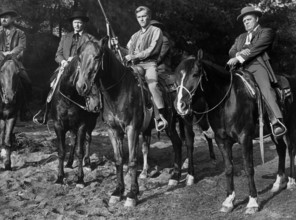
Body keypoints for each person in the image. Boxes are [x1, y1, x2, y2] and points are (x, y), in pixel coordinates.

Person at [227, 6, 286, 137]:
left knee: (265, 87)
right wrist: (238, 53)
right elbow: (231, 51)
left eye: (249, 19)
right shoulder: (240, 37)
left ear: (257, 19)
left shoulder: (266, 32)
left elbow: (257, 47)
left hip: (257, 65)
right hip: (240, 68)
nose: (246, 22)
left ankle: (276, 121)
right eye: (244, 21)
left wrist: (240, 57)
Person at [33, 10, 96, 125]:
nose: (77, 25)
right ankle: (45, 111)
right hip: (65, 67)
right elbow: (58, 54)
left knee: (91, 86)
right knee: (51, 84)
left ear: (84, 24)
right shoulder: (66, 37)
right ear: (72, 23)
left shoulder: (90, 38)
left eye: (79, 23)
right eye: (75, 22)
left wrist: (77, 60)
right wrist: (62, 62)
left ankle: (93, 112)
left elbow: (92, 55)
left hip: (82, 68)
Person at [125, 6, 167, 131]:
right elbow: (128, 50)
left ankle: (160, 117)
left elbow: (151, 50)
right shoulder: (134, 36)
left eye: (144, 16)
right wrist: (116, 46)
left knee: (152, 85)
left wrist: (134, 55)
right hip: (135, 65)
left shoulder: (156, 31)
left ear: (149, 16)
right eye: (139, 17)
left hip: (149, 64)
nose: (141, 19)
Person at [0, 8, 32, 121]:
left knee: (27, 82)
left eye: (6, 17)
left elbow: (22, 46)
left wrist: (11, 53)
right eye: (1, 17)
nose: (3, 19)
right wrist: (2, 54)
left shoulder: (20, 33)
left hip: (14, 61)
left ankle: (25, 109)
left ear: (12, 19)